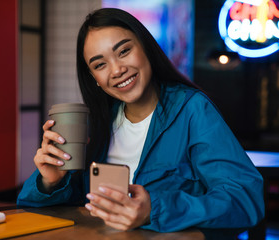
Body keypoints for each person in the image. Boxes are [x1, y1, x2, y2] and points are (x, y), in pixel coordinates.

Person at [17, 8, 264, 237]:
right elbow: (50, 212)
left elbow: (246, 199)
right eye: (100, 64)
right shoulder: (99, 122)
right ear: (94, 78)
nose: (116, 70)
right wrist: (52, 181)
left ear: (146, 47)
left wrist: (154, 210)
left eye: (124, 51)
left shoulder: (192, 109)